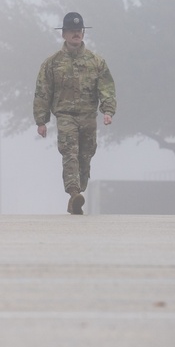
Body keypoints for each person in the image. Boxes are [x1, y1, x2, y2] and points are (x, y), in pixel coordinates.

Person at [33, 12, 117, 215]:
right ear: (64, 34)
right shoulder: (52, 63)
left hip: (88, 116)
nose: (76, 34)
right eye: (72, 31)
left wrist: (107, 110)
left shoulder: (96, 62)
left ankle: (78, 193)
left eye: (79, 31)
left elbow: (106, 88)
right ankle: (73, 193)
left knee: (85, 156)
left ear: (83, 34)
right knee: (69, 153)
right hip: (65, 116)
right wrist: (41, 120)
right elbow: (43, 91)